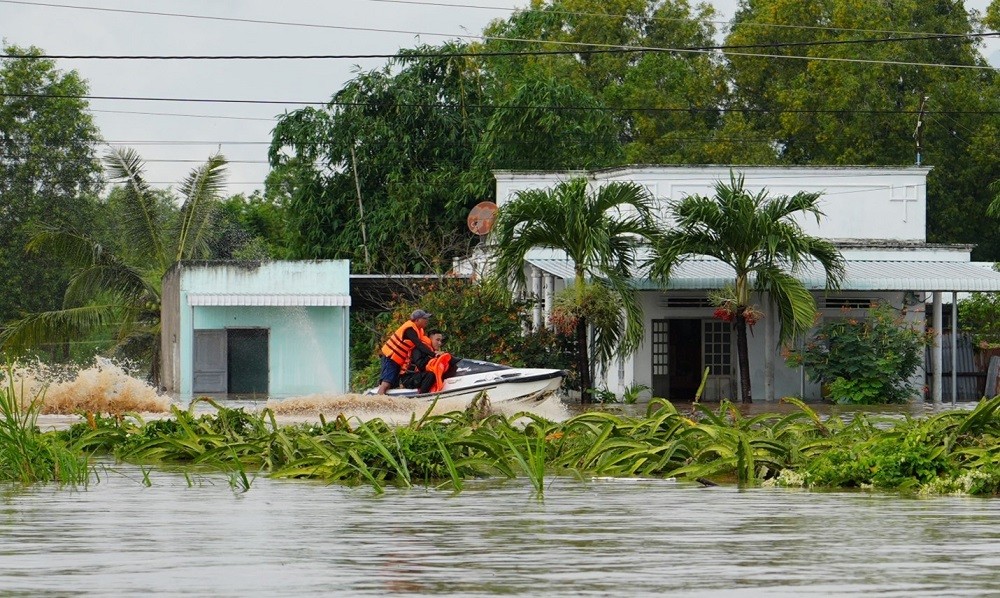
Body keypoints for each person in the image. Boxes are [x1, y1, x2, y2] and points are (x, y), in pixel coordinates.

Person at [376, 309, 434, 395]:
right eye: (424, 318)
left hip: (397, 360)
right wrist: (434, 354)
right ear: (417, 320)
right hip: (391, 357)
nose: (427, 320)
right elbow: (419, 345)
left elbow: (424, 344)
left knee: (393, 384)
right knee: (387, 383)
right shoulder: (409, 329)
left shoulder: (419, 330)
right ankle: (377, 401)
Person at [400, 328, 444, 394]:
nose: (440, 343)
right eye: (437, 340)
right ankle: (422, 396)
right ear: (429, 339)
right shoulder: (418, 349)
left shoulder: (433, 352)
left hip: (419, 377)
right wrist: (431, 356)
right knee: (431, 375)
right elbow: (420, 365)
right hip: (408, 379)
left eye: (441, 340)